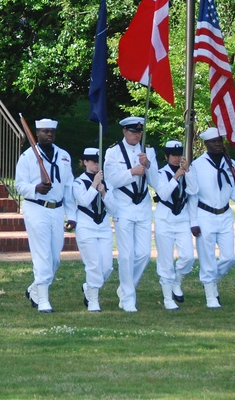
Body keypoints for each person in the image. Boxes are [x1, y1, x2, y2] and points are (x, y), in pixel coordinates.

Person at [14, 118, 75, 313]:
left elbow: (68, 187)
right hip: (36, 208)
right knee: (42, 255)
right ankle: (43, 301)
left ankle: (34, 290)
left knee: (55, 259)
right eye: (45, 131)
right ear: (37, 133)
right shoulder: (27, 157)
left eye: (52, 132)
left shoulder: (64, 156)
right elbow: (19, 185)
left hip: (57, 210)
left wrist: (71, 214)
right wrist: (36, 188)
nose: (49, 134)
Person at [103, 116, 158, 312]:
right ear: (124, 131)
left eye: (139, 132)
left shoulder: (148, 151)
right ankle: (128, 298)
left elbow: (156, 182)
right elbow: (110, 180)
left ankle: (126, 288)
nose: (137, 135)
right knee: (126, 255)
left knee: (144, 254)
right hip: (123, 206)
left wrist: (148, 165)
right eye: (133, 131)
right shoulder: (113, 152)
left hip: (142, 206)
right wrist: (131, 172)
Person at [187, 127, 235, 309]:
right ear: (206, 144)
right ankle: (211, 296)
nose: (218, 144)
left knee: (229, 257)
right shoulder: (197, 165)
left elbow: (233, 190)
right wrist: (193, 222)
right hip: (205, 215)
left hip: (225, 214)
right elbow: (193, 196)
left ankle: (209, 281)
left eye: (220, 141)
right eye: (214, 142)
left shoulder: (231, 164)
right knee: (207, 258)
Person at [71, 147, 116, 312]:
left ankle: (89, 287)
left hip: (103, 226)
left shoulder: (106, 182)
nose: (96, 164)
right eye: (93, 161)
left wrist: (103, 192)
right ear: (85, 162)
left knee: (107, 266)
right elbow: (84, 201)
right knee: (94, 264)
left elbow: (113, 208)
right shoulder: (78, 182)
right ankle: (93, 301)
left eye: (98, 162)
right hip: (86, 226)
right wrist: (94, 184)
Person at [153, 140, 195, 310]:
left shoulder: (187, 171)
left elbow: (194, 190)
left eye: (179, 155)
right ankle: (167, 298)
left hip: (182, 219)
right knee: (166, 260)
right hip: (165, 220)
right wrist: (176, 177)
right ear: (166, 156)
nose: (176, 158)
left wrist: (188, 172)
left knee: (188, 257)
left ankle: (177, 281)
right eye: (173, 155)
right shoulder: (161, 173)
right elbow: (163, 194)